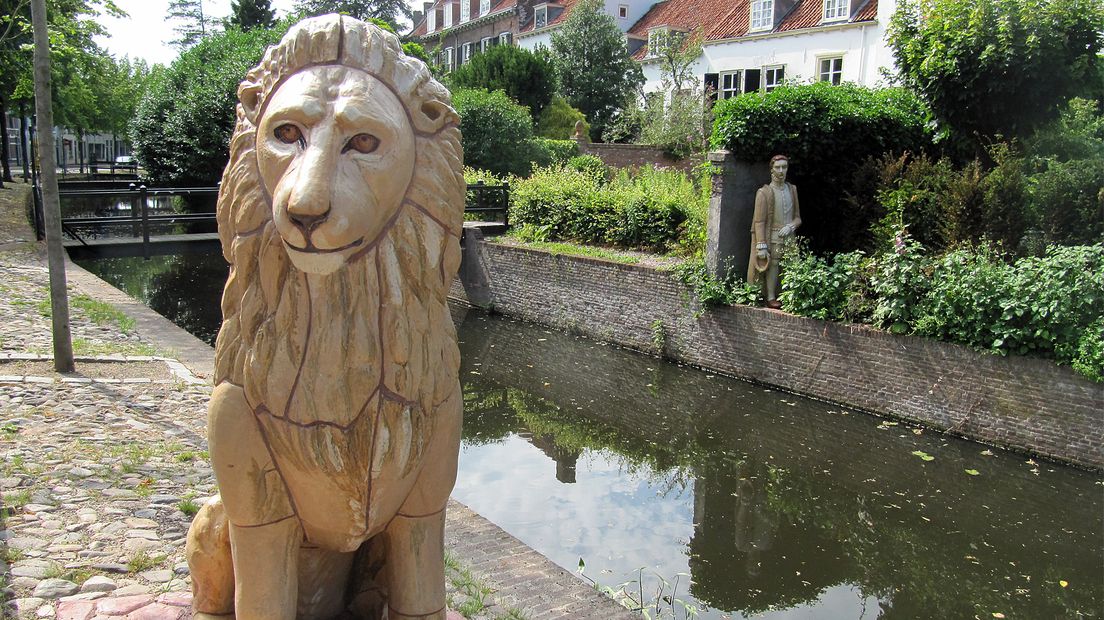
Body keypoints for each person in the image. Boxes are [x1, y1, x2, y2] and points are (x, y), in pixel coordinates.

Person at [747, 154, 801, 309]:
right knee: (774, 264)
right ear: (771, 170)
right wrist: (761, 244)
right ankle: (770, 296)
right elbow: (759, 221)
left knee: (793, 264)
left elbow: (798, 218)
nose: (781, 170)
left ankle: (792, 294)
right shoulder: (764, 192)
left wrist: (790, 226)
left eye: (784, 167)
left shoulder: (792, 190)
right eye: (778, 167)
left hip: (790, 236)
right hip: (773, 236)